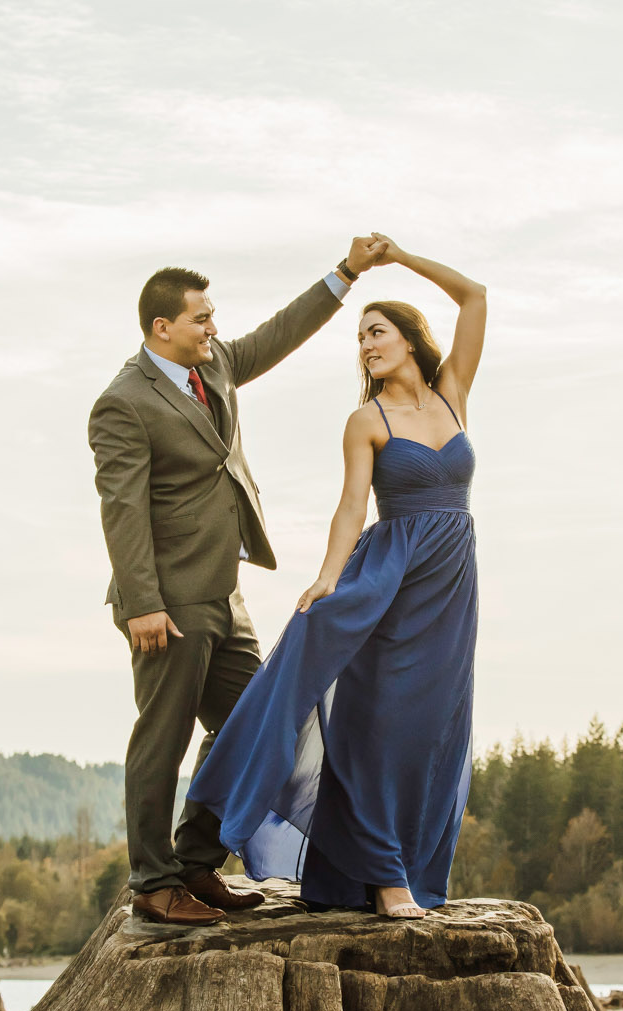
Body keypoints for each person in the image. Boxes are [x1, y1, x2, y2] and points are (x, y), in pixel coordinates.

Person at [90, 237, 394, 926]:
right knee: (161, 740)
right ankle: (152, 882)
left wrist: (344, 274)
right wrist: (141, 603)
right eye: (202, 318)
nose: (215, 328)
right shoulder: (123, 403)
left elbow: (277, 335)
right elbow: (122, 509)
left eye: (213, 316)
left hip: (226, 594)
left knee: (255, 724)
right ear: (161, 327)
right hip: (166, 601)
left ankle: (197, 861)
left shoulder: (216, 366)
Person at [188, 238, 485, 918]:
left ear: (411, 338)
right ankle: (384, 878)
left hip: (454, 587)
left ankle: (412, 868)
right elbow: (352, 506)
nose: (366, 345)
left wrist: (400, 258)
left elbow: (476, 297)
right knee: (377, 723)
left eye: (376, 332)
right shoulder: (366, 420)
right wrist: (326, 578)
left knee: (435, 729)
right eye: (360, 338)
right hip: (391, 581)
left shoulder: (454, 396)